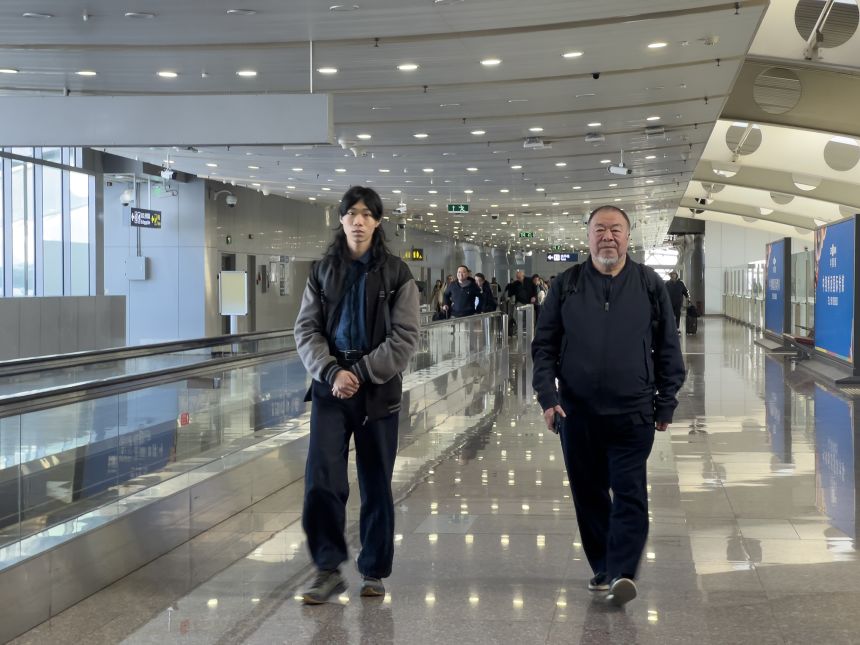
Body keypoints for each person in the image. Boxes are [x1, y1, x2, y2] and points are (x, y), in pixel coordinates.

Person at [531, 205, 685, 607]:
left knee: (630, 492)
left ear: (628, 237)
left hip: (633, 411)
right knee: (589, 493)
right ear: (588, 238)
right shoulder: (566, 285)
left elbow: (669, 346)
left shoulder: (649, 284)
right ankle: (603, 564)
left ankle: (622, 571)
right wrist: (549, 398)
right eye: (600, 229)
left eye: (615, 229)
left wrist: (666, 402)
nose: (608, 237)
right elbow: (543, 347)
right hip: (577, 413)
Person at [294, 186, 420, 604]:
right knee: (322, 481)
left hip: (377, 393)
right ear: (342, 219)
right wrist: (332, 371)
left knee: (376, 485)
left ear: (378, 221)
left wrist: (360, 373)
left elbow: (404, 338)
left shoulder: (397, 273)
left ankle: (374, 569)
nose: (360, 220)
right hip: (330, 390)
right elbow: (306, 330)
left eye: (368, 214)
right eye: (353, 213)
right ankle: (327, 568)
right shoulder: (322, 271)